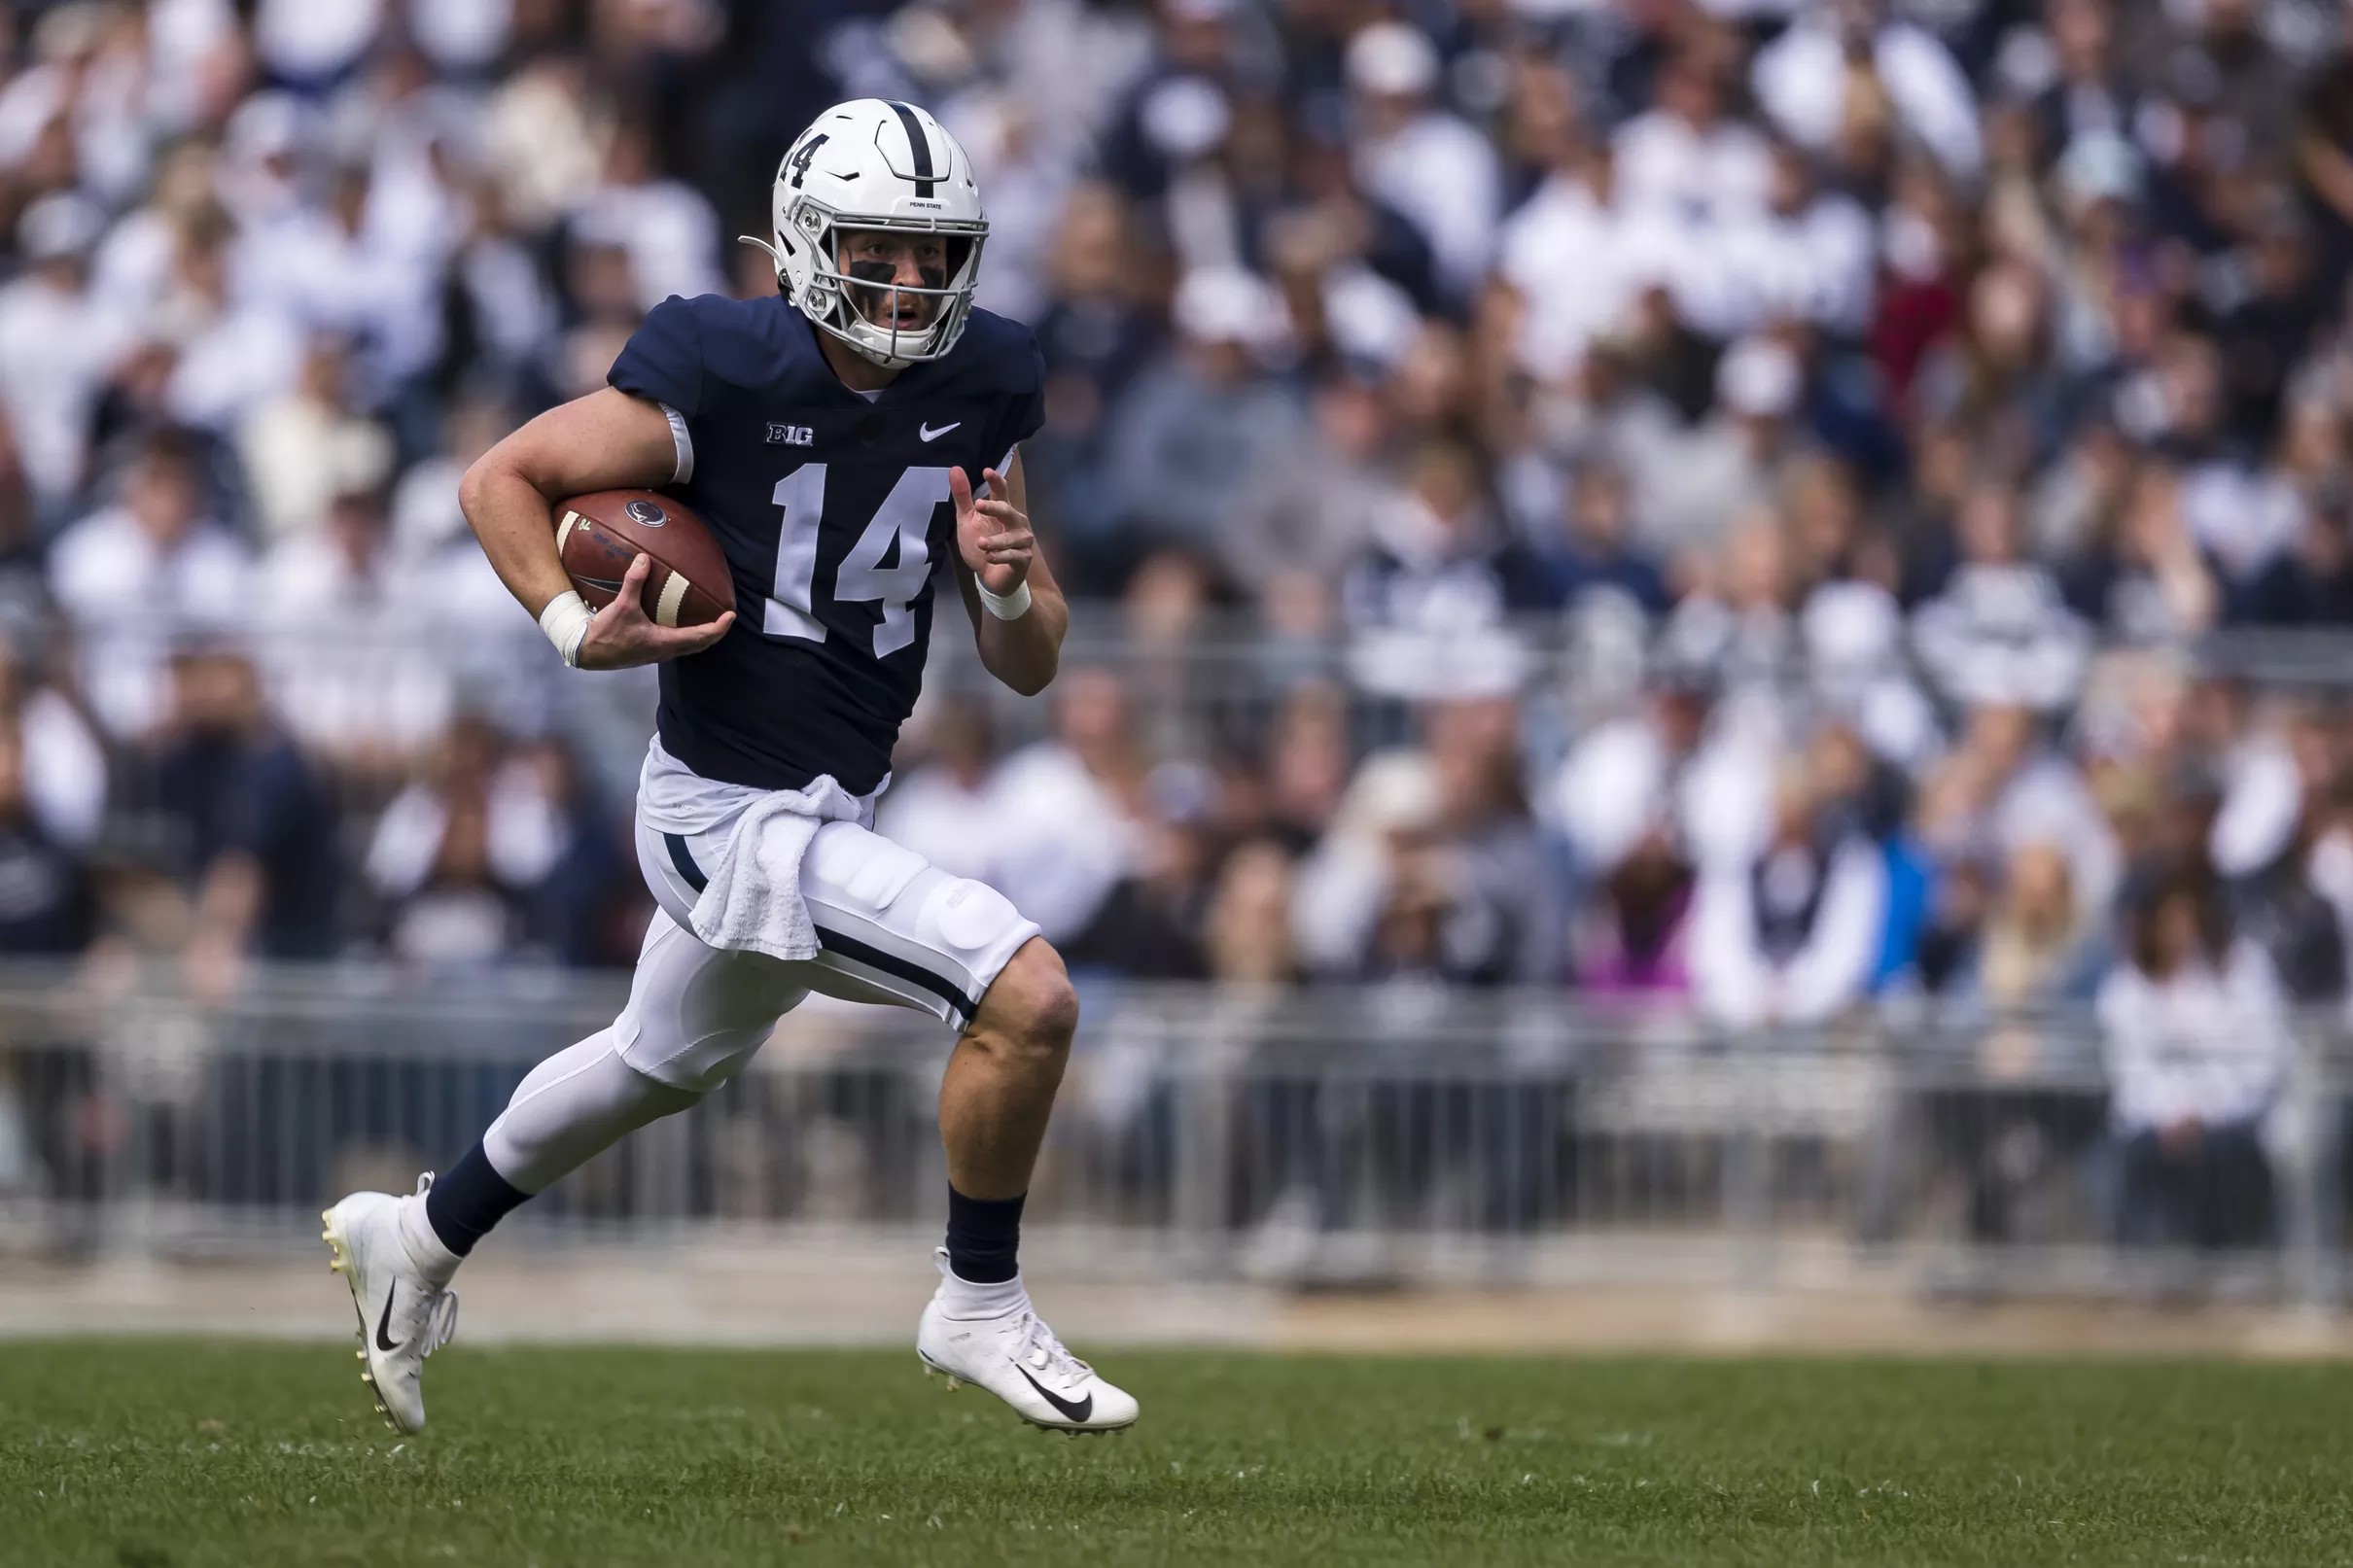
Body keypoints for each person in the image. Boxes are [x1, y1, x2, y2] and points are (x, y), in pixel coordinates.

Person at [321, 101, 1135, 1438]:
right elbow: (500, 480)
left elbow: (1030, 659)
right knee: (1025, 993)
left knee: (654, 1059)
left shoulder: (986, 379)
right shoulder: (724, 364)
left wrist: (1003, 586)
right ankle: (977, 1299)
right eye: (883, 249)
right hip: (721, 811)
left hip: (833, 797)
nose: (913, 281)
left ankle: (416, 1234)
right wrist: (575, 626)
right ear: (813, 245)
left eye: (936, 255)